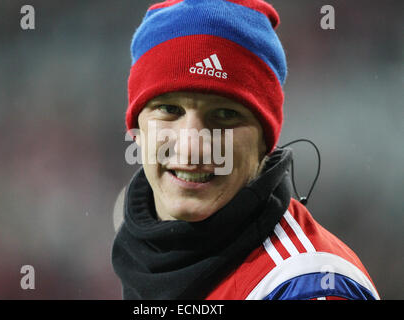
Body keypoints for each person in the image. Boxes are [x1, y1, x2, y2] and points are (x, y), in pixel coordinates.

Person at [111, 0, 379, 300]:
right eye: (169, 109)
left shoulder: (307, 286)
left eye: (225, 115)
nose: (192, 147)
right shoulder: (147, 263)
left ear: (265, 141)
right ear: (137, 130)